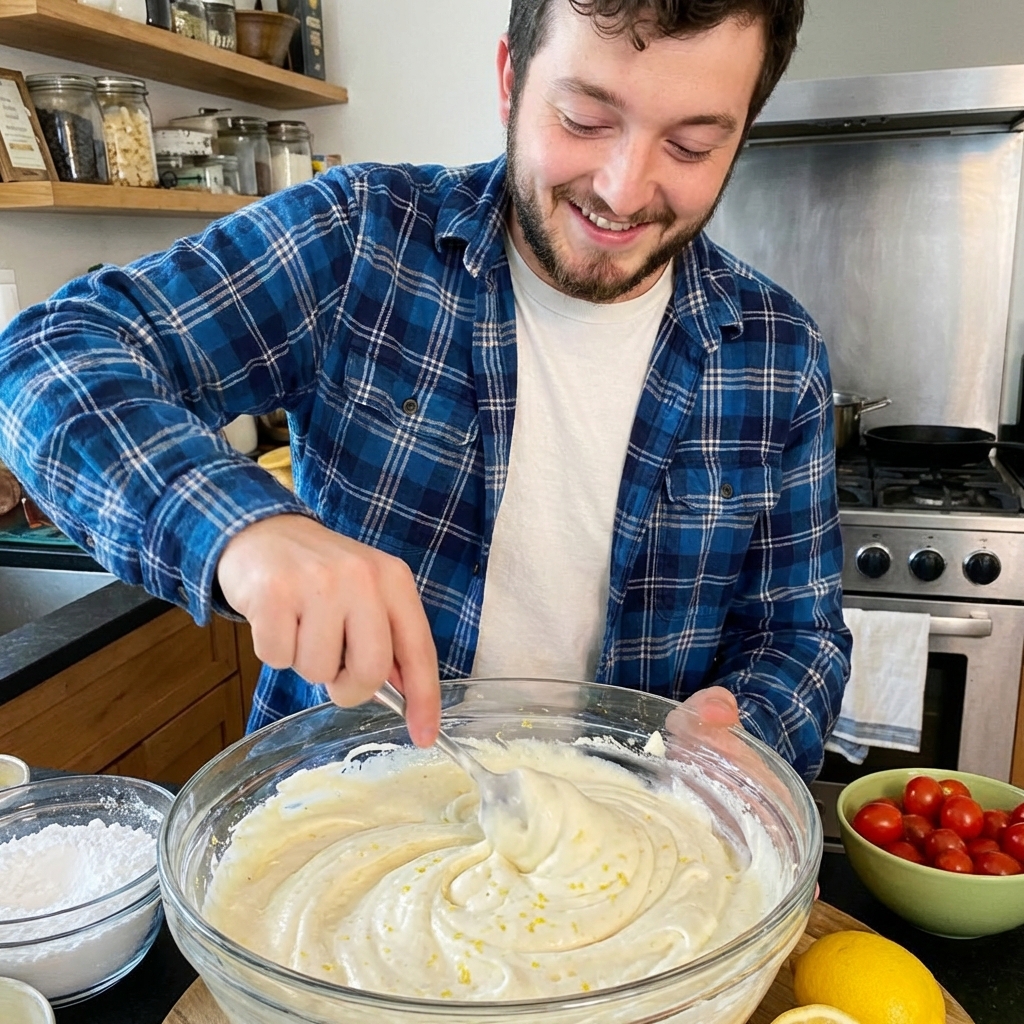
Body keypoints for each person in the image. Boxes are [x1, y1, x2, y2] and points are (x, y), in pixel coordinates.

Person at [0, 0, 850, 781]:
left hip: (638, 849)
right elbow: (42, 359)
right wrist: (246, 533)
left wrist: (750, 743)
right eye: (585, 118)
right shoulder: (361, 239)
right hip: (346, 825)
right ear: (511, 80)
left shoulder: (776, 352)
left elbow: (796, 636)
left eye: (691, 146)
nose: (623, 190)